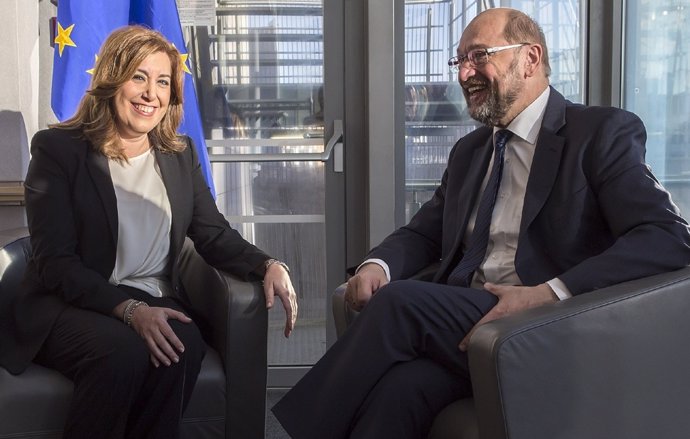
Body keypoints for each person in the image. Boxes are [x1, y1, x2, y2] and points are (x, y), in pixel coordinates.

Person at [272, 7, 690, 439]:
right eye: (459, 61)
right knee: (401, 390)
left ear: (530, 59)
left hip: (549, 325)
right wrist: (377, 265)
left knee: (398, 305)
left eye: (478, 56)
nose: (464, 73)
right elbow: (424, 232)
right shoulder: (471, 152)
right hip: (468, 320)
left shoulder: (600, 133)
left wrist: (547, 294)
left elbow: (668, 236)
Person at [0, 25, 297, 439]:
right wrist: (130, 311)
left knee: (181, 345)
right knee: (121, 352)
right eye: (138, 77)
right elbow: (56, 263)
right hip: (69, 303)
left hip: (153, 296)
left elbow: (212, 233)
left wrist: (267, 263)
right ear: (111, 78)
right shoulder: (57, 149)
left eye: (162, 82)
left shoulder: (180, 154)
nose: (150, 93)